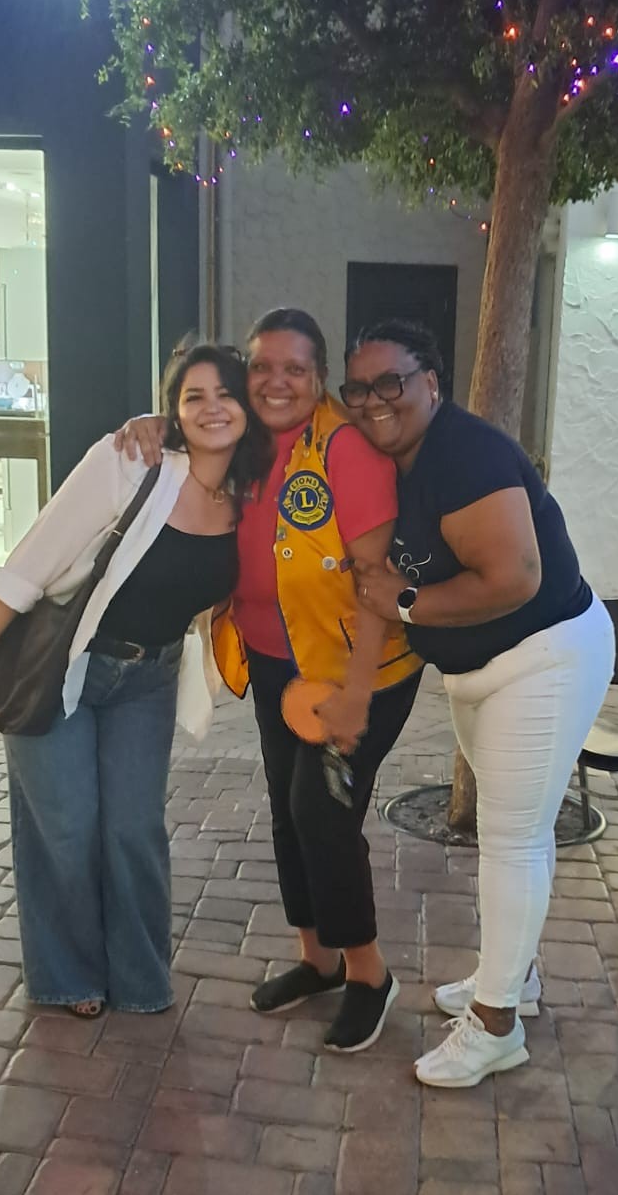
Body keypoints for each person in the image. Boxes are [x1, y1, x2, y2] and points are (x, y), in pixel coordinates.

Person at [116, 309, 423, 1053]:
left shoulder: (345, 448)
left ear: (320, 378)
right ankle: (317, 960)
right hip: (274, 662)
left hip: (353, 671)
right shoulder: (246, 441)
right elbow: (190, 432)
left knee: (322, 813)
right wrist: (154, 423)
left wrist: (356, 695)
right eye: (261, 367)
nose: (275, 382)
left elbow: (376, 583)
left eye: (294, 368)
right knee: (288, 812)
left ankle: (369, 974)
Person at [0, 343, 272, 1018]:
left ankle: (142, 978)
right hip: (67, 664)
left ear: (247, 408)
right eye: (194, 396)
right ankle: (69, 977)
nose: (212, 408)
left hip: (149, 680)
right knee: (65, 827)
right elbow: (44, 544)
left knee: (133, 832)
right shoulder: (133, 462)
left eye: (226, 394)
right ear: (173, 410)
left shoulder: (248, 496)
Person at [343, 319, 615, 1089]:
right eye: (358, 388)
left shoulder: (465, 454)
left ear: (432, 382)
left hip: (543, 657)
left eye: (391, 381)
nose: (374, 400)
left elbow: (515, 578)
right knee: (517, 831)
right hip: (484, 671)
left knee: (512, 841)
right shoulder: (392, 455)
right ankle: (512, 979)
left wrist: (404, 601)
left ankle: (497, 1027)